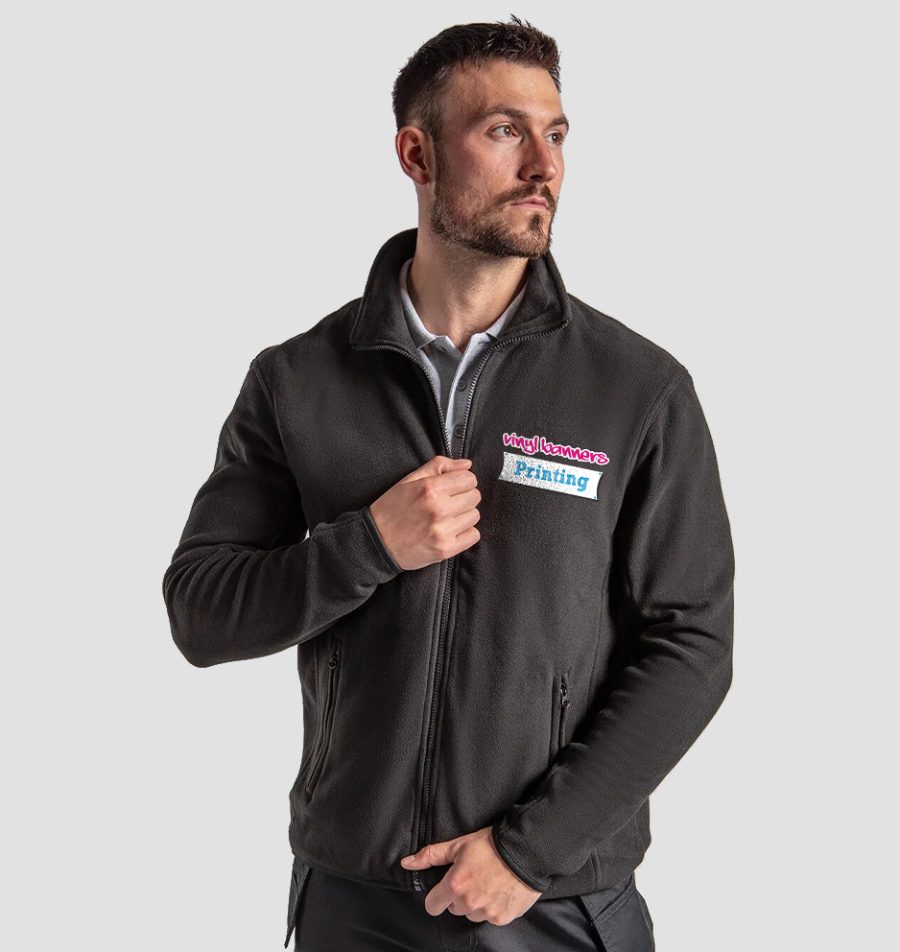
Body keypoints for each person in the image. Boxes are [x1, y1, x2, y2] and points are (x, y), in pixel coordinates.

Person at [162, 14, 734, 952]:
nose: (543, 166)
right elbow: (201, 612)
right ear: (417, 154)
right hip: (355, 900)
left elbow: (692, 646)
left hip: (552, 904)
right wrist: (369, 546)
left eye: (556, 134)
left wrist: (529, 851)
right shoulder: (298, 380)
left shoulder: (638, 389)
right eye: (505, 131)